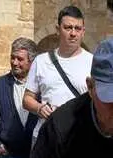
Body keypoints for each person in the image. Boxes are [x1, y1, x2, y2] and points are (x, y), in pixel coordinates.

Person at [22, 6, 93, 146]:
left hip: (79, 138)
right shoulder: (41, 61)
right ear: (58, 29)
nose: (73, 33)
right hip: (46, 137)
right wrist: (39, 108)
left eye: (77, 29)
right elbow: (27, 99)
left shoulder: (93, 62)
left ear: (83, 32)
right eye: (68, 27)